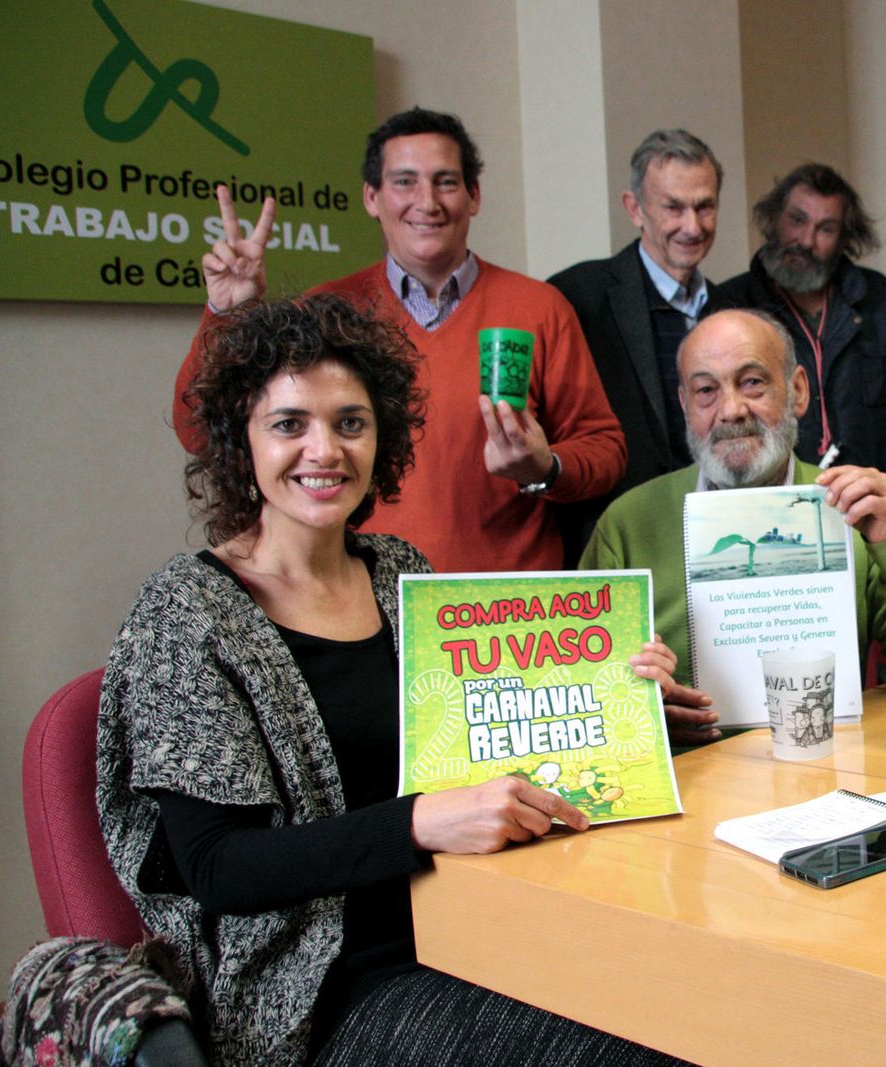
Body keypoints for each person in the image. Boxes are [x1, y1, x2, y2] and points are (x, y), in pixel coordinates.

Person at [103, 295, 688, 1065]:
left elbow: (488, 744)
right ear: (239, 440)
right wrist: (416, 823)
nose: (325, 450)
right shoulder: (187, 612)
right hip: (318, 989)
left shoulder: (400, 574)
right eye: (289, 424)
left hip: (472, 923)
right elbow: (219, 867)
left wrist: (627, 716)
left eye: (351, 422)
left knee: (696, 1000)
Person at [173, 107, 625, 574]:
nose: (426, 202)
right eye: (404, 182)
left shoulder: (539, 307)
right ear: (372, 197)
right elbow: (199, 431)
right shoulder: (327, 311)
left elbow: (604, 449)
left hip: (502, 610)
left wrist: (542, 468)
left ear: (474, 195)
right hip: (361, 596)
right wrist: (229, 312)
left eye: (446, 182)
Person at [580, 309, 886, 744]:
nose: (731, 410)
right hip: (693, 777)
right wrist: (644, 709)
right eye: (706, 390)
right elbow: (584, 697)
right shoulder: (628, 522)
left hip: (832, 762)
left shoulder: (845, 509)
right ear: (685, 406)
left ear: (798, 391)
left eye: (752, 382)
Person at [549, 129, 728, 560]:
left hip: (715, 548)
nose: (692, 226)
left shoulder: (735, 311)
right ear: (635, 209)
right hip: (614, 547)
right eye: (673, 207)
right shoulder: (574, 298)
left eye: (705, 207)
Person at [719, 163, 886, 487]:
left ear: (844, 237)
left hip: (876, 506)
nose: (806, 240)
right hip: (782, 509)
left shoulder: (880, 302)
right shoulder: (732, 307)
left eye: (825, 228)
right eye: (797, 220)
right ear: (774, 219)